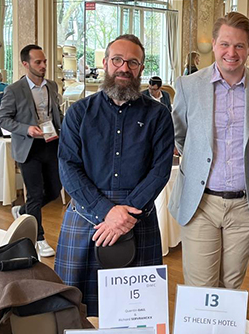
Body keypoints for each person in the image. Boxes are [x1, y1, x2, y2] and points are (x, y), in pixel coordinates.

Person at [56, 34, 174, 316]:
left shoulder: (159, 115)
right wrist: (106, 213)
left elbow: (160, 171)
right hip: (87, 215)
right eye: (118, 60)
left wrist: (125, 216)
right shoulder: (79, 113)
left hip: (138, 216)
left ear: (141, 69)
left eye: (133, 62)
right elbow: (68, 167)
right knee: (73, 309)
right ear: (106, 63)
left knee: (138, 311)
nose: (124, 68)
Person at [170, 12, 249, 289]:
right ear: (214, 44)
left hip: (244, 204)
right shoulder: (188, 86)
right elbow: (180, 135)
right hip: (201, 203)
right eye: (225, 44)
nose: (231, 52)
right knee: (200, 287)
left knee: (231, 286)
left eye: (239, 45)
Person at [0, 45, 63, 257]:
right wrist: (26, 129)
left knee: (54, 190)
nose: (43, 66)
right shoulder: (14, 90)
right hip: (29, 147)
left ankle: (23, 211)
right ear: (26, 64)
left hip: (52, 143)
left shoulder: (52, 86)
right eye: (38, 62)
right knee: (34, 193)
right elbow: (3, 119)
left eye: (44, 61)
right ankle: (39, 238)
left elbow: (57, 113)